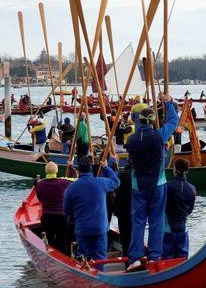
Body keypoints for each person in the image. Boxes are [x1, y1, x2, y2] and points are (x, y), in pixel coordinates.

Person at [123, 94, 179, 270]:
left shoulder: (131, 140)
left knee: (138, 222)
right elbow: (173, 121)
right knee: (156, 221)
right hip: (158, 184)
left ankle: (135, 258)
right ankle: (154, 257)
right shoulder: (159, 136)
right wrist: (169, 103)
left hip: (138, 185)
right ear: (153, 121)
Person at [63, 156, 120, 260]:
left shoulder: (71, 187)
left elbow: (67, 211)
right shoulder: (101, 182)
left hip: (83, 228)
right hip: (100, 228)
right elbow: (116, 181)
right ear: (91, 169)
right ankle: (99, 273)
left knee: (83, 258)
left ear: (79, 170)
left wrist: (75, 217)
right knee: (100, 259)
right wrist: (106, 167)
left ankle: (86, 271)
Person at [163, 159, 197, 259]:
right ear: (187, 170)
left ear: (174, 169)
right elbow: (190, 210)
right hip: (183, 227)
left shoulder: (167, 186)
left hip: (168, 226)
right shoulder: (192, 188)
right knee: (182, 258)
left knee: (167, 257)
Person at [35, 161, 71, 253]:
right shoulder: (63, 182)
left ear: (46, 171)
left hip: (47, 217)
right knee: (62, 242)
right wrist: (71, 167)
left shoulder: (39, 184)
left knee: (48, 243)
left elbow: (40, 199)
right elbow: (75, 179)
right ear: (57, 171)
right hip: (61, 217)